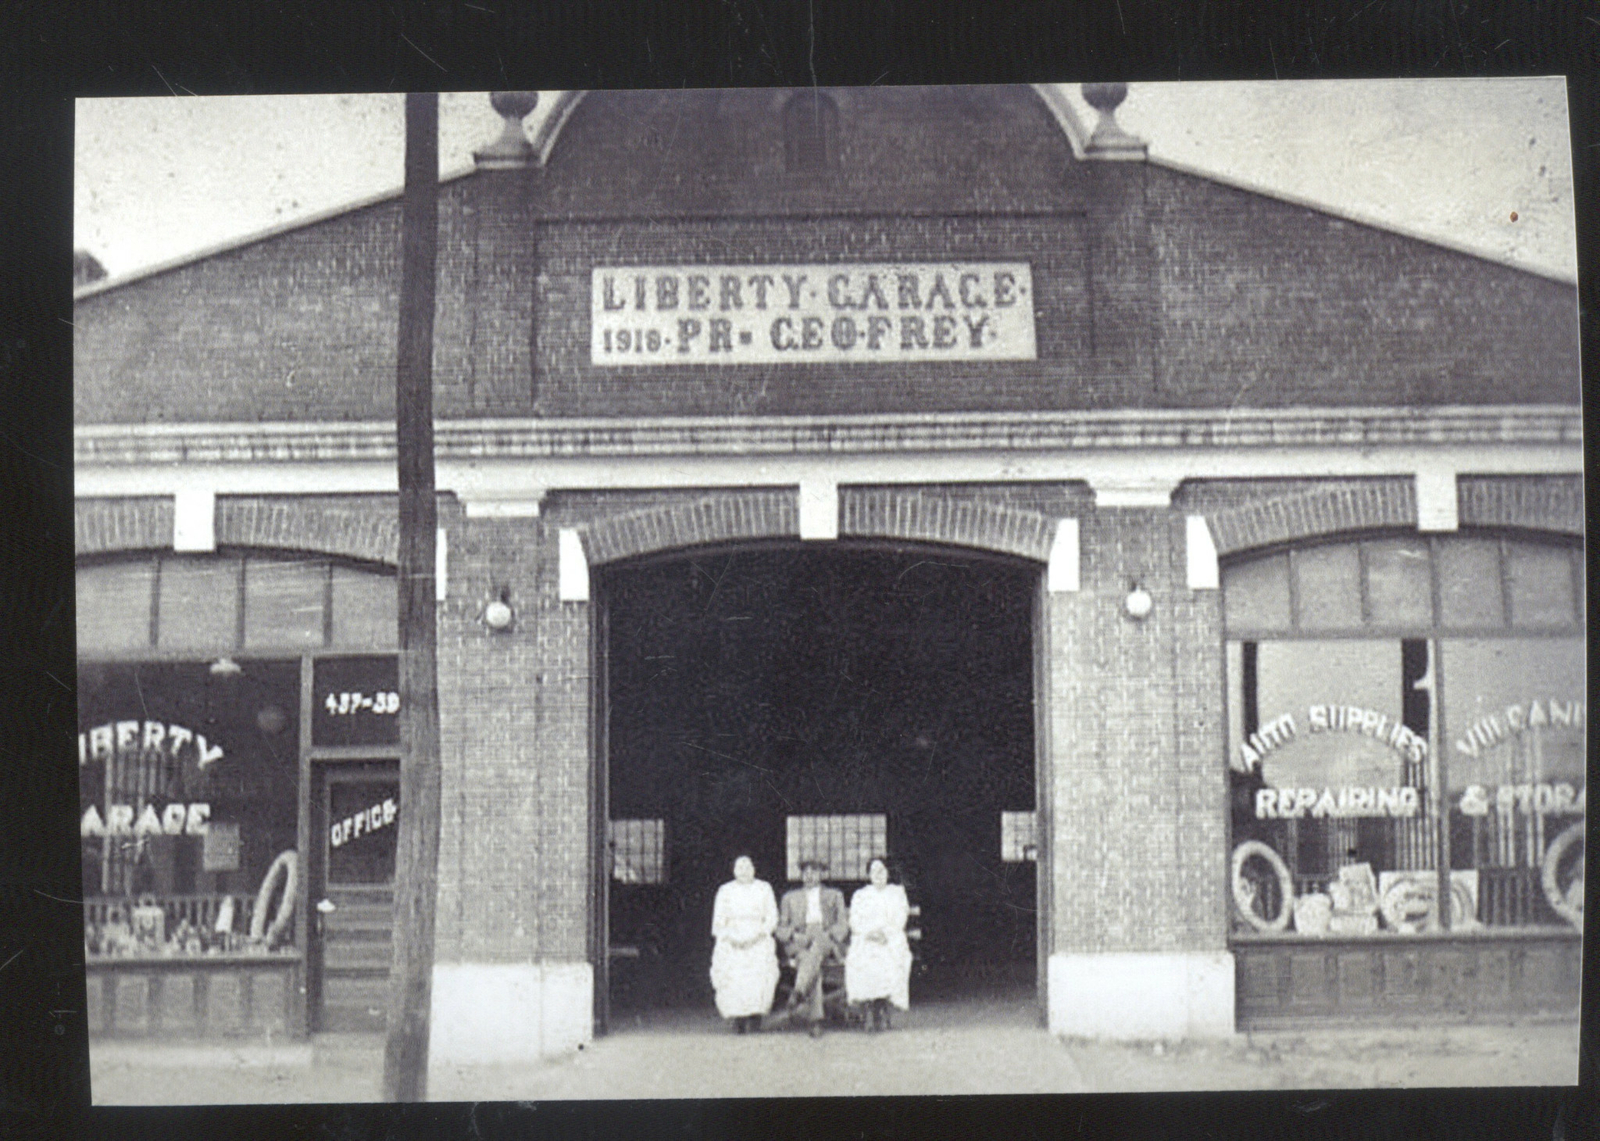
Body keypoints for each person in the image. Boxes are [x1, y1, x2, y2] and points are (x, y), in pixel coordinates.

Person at [776, 858, 849, 1037]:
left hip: (826, 939)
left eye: (814, 872)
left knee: (814, 952)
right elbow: (781, 928)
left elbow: (843, 926)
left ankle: (799, 993)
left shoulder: (834, 895)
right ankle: (814, 1020)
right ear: (801, 875)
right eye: (806, 872)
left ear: (821, 874)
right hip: (801, 941)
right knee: (811, 965)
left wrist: (829, 935)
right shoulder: (789, 898)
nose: (810, 876)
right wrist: (794, 936)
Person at [709, 855, 779, 1033]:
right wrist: (731, 938)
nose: (744, 871)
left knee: (759, 969)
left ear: (754, 869)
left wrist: (758, 935)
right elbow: (718, 921)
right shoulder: (725, 890)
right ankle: (738, 1018)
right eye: (739, 867)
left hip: (758, 936)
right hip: (732, 938)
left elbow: (772, 917)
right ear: (733, 870)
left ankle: (755, 1016)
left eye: (748, 866)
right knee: (733, 970)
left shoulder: (764, 888)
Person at [845, 857, 912, 1031]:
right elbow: (854, 921)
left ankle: (881, 1007)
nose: (878, 875)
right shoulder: (860, 895)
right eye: (874, 871)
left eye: (881, 870)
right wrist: (870, 934)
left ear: (888, 873)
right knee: (863, 959)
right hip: (866, 937)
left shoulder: (897, 893)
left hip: (890, 938)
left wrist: (885, 934)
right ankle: (869, 1009)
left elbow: (900, 918)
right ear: (868, 874)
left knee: (890, 958)